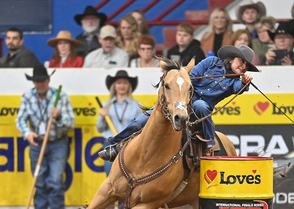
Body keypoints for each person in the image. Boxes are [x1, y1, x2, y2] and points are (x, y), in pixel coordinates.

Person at [98, 45, 257, 162]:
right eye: (241, 61)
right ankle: (114, 145)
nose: (242, 66)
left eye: (246, 66)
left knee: (201, 106)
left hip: (200, 109)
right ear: (232, 58)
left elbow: (238, 89)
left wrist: (244, 83)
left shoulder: (235, 82)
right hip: (182, 100)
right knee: (140, 120)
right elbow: (191, 76)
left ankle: (209, 143)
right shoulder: (210, 62)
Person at [15, 66, 75, 209]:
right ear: (33, 82)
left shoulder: (60, 96)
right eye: (36, 81)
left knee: (55, 181)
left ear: (48, 80)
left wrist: (58, 117)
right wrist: (27, 133)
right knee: (39, 181)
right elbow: (19, 120)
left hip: (57, 142)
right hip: (37, 143)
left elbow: (70, 123)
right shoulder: (27, 97)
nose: (39, 84)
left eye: (42, 81)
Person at [96, 70, 142, 209]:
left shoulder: (135, 105)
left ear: (129, 86)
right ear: (114, 86)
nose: (121, 86)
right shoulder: (106, 105)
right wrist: (102, 117)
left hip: (128, 146)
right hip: (110, 145)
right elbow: (100, 128)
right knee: (111, 179)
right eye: (119, 83)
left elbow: (138, 127)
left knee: (127, 180)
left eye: (125, 83)